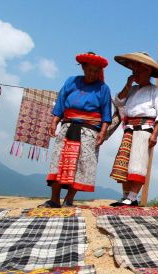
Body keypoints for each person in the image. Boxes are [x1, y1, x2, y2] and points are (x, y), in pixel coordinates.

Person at [43, 52, 112, 208]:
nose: (92, 74)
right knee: (59, 161)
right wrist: (54, 121)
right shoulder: (71, 82)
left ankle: (69, 199)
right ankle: (54, 199)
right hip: (68, 126)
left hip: (89, 131)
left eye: (96, 71)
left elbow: (106, 112)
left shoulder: (103, 89)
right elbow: (61, 102)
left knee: (82, 164)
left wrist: (102, 132)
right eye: (89, 70)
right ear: (83, 67)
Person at [109, 52, 158, 206]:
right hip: (128, 128)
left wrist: (154, 135)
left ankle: (133, 197)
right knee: (124, 162)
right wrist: (128, 85)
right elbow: (118, 102)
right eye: (134, 72)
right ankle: (126, 196)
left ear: (148, 72)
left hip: (145, 128)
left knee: (138, 162)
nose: (135, 75)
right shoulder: (132, 90)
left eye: (139, 71)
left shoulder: (156, 91)